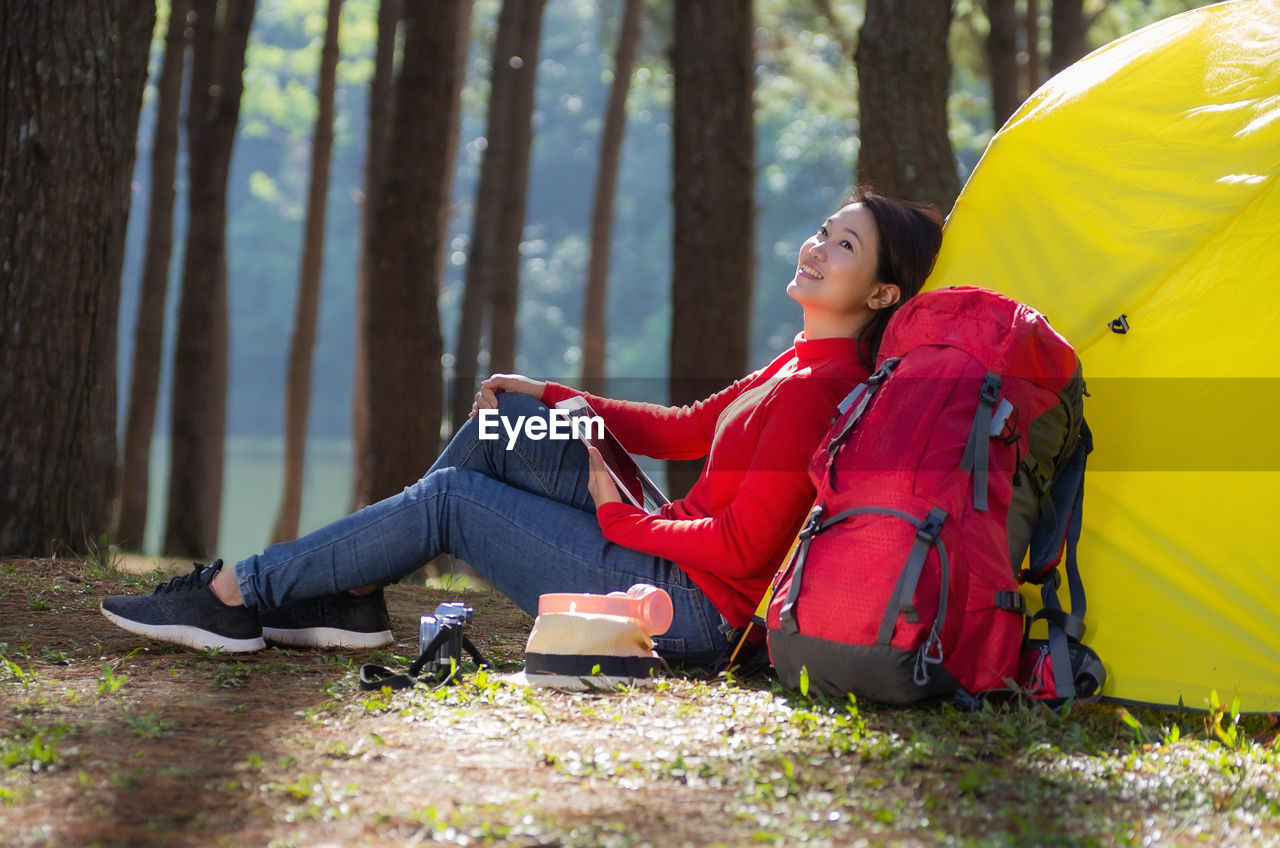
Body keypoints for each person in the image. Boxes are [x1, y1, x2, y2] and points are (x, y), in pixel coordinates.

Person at [101, 189, 944, 664]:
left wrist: (621, 516)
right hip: (664, 554)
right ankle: (351, 597)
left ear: (881, 294)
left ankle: (234, 594)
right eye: (824, 231)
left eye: (843, 247)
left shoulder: (818, 389)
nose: (816, 247)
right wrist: (554, 397)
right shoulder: (797, 361)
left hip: (687, 610)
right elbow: (685, 430)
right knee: (506, 422)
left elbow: (740, 552)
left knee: (452, 502)